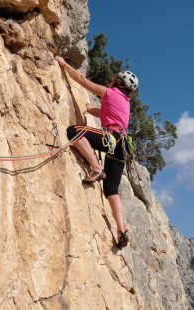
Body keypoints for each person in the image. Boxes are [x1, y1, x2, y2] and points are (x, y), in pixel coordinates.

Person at [55, 56, 139, 249]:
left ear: (118, 82)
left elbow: (83, 81)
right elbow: (105, 113)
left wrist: (64, 64)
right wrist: (89, 110)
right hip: (123, 147)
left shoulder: (109, 92)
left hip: (111, 139)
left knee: (74, 132)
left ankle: (95, 167)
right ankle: (121, 229)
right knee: (111, 189)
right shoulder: (125, 104)